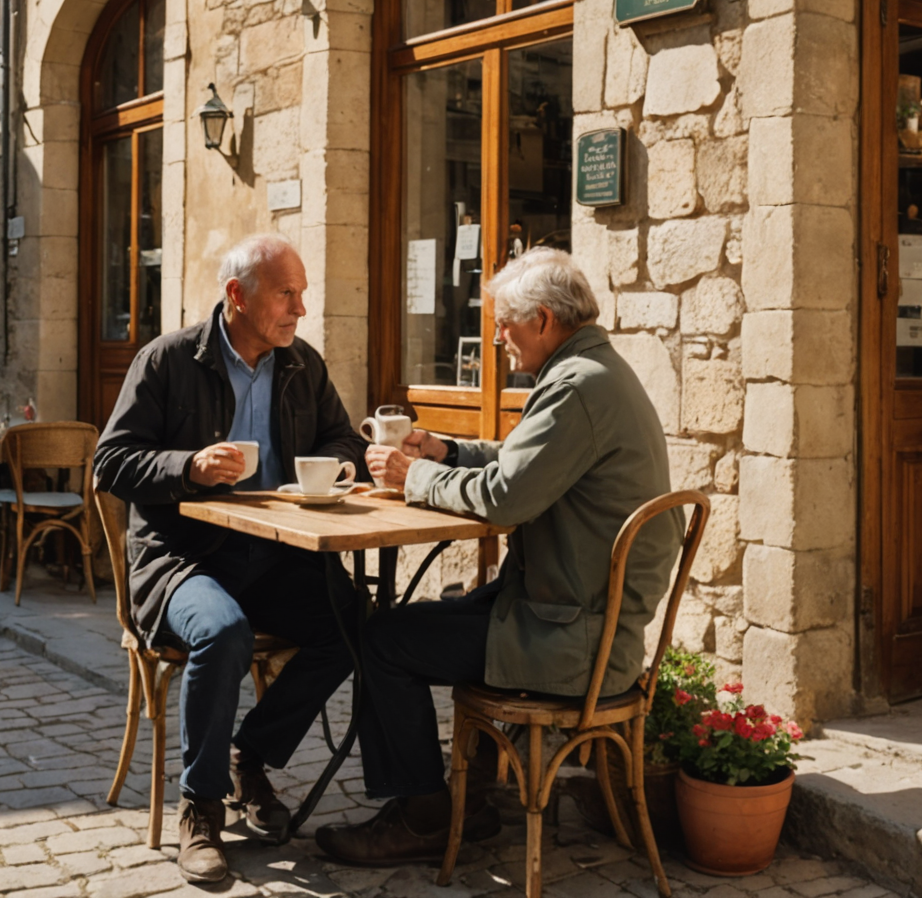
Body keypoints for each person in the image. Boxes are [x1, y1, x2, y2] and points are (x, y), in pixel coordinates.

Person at [315, 247, 680, 865]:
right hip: (571, 612)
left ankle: (426, 819)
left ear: (543, 320)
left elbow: (506, 498)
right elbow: (522, 462)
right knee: (424, 617)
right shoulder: (592, 371)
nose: (495, 338)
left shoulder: (576, 388)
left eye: (504, 323)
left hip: (574, 636)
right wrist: (447, 451)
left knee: (384, 640)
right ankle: (472, 796)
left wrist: (412, 476)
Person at [94, 234, 369, 884]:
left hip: (275, 554)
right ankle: (201, 808)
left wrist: (335, 467)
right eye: (287, 294)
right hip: (181, 558)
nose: (300, 309)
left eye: (302, 294)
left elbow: (342, 439)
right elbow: (111, 462)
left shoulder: (300, 364)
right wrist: (186, 466)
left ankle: (251, 755)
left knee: (355, 622)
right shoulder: (167, 360)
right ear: (237, 295)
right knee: (223, 632)